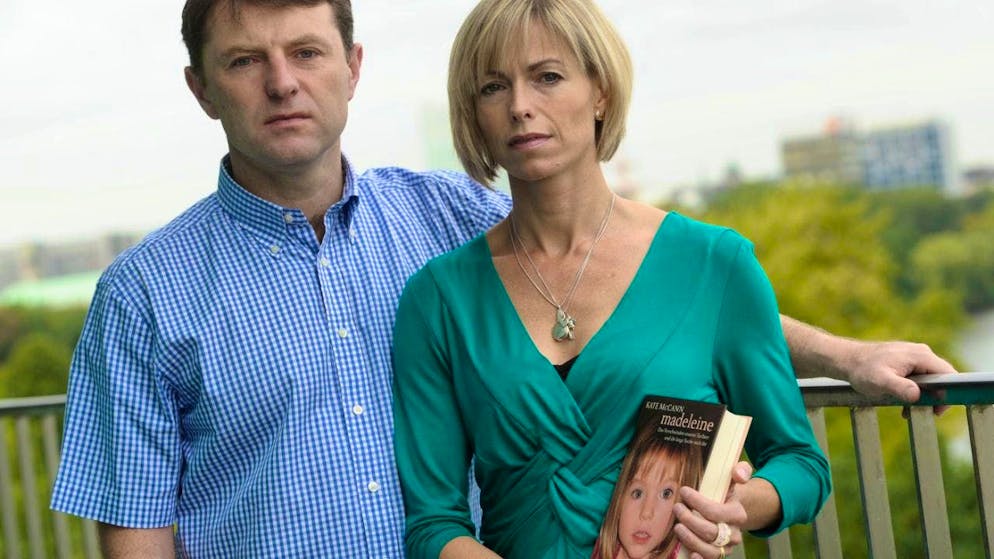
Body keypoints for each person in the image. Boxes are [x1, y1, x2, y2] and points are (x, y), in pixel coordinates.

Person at [48, 0, 955, 557]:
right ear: (201, 87)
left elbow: (641, 291)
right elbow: (135, 527)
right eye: (246, 60)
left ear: (352, 69)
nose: (282, 83)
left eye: (307, 52)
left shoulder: (443, 215)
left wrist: (843, 354)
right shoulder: (144, 296)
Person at [390, 0, 831, 557]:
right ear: (474, 113)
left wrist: (738, 505)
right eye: (493, 87)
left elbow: (800, 463)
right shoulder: (437, 299)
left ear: (600, 91)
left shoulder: (715, 263)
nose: (520, 106)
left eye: (547, 77)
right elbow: (433, 524)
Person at [595, 425, 705, 559]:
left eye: (666, 494)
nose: (646, 513)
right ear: (618, 497)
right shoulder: (591, 544)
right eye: (637, 493)